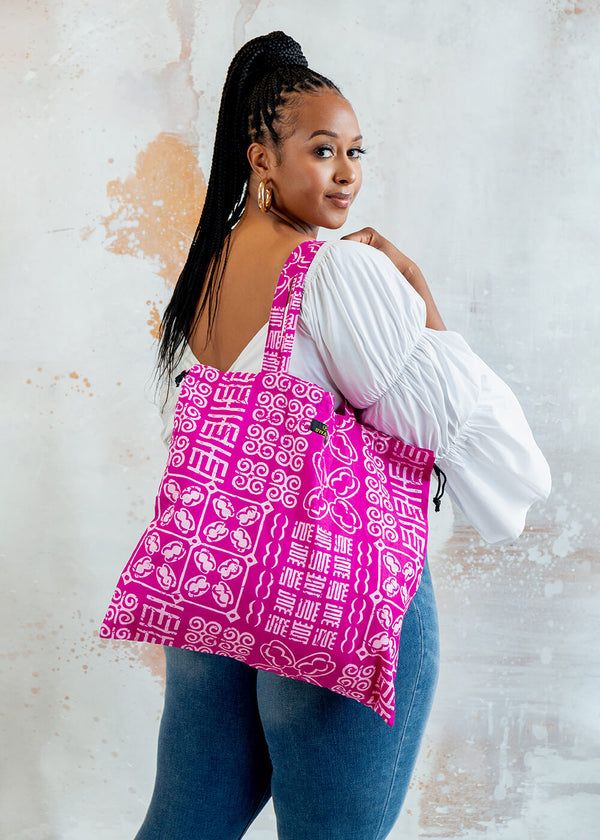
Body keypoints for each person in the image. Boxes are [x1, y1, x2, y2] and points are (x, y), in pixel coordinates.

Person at [135, 30, 551, 840]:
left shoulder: (209, 268)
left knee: (183, 825)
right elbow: (494, 451)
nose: (348, 172)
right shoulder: (335, 272)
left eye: (356, 150)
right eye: (323, 150)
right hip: (336, 599)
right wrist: (420, 295)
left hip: (219, 583)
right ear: (261, 158)